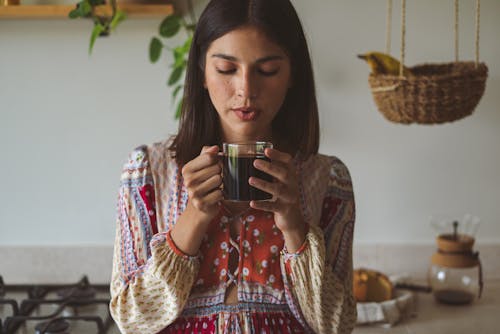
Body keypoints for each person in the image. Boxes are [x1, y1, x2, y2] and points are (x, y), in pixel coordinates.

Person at [109, 0, 356, 333]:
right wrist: (193, 218)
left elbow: (337, 325)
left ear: (293, 74)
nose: (246, 90)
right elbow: (132, 319)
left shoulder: (327, 179)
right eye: (227, 69)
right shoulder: (148, 173)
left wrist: (295, 227)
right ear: (202, 74)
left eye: (267, 70)